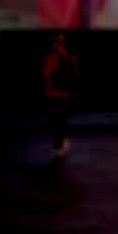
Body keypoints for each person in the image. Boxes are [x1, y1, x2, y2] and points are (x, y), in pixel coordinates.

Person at [42, 32, 78, 160]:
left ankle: (59, 145)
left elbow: (46, 73)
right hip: (61, 93)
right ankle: (61, 143)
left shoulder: (57, 56)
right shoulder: (65, 55)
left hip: (56, 93)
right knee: (59, 121)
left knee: (57, 121)